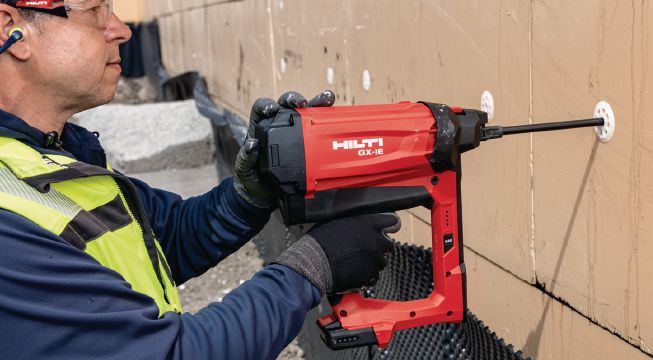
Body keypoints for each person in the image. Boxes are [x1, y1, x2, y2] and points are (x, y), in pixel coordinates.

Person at [0, 1, 399, 359]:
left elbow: (164, 240)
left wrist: (249, 193)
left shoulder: (50, 154)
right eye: (95, 10)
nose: (121, 29)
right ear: (10, 30)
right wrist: (310, 268)